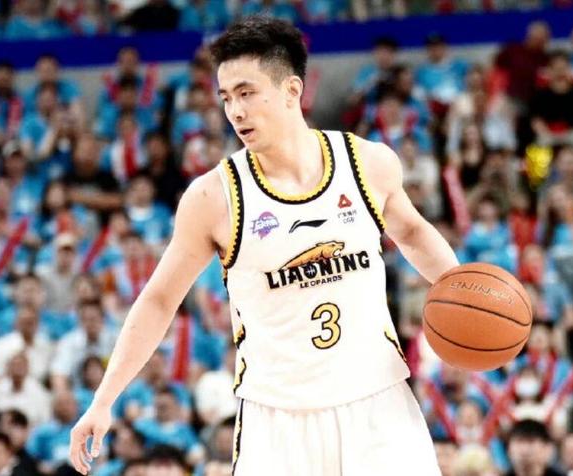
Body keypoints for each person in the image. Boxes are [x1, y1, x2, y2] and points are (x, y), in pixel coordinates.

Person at [70, 17, 459, 475]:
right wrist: (104, 399)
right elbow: (158, 300)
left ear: (292, 90)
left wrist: (462, 291)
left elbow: (412, 232)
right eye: (226, 97)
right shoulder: (212, 198)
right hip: (278, 421)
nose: (235, 111)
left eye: (247, 93)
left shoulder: (369, 163)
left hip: (379, 404)